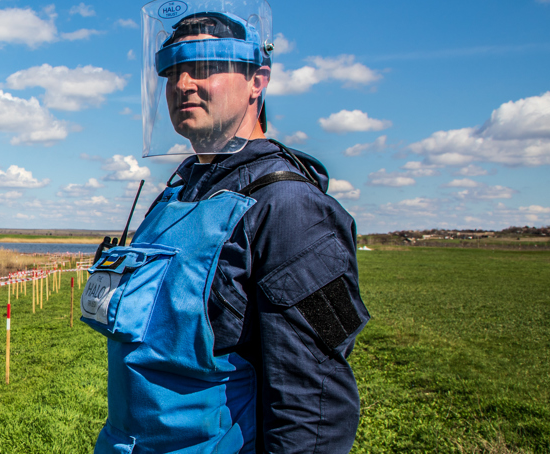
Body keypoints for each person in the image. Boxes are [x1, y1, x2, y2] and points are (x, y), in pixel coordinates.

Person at [79, 1, 370, 453]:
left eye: (205, 66)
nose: (182, 84)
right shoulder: (177, 193)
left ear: (258, 80)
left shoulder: (289, 207)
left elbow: (314, 408)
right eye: (172, 70)